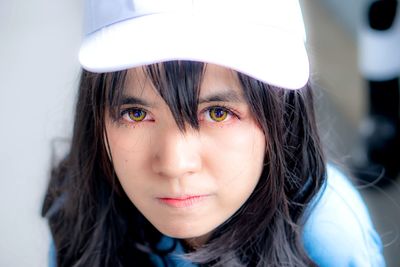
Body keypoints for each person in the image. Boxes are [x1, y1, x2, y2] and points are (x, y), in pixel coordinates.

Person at [42, 0, 385, 266]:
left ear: (283, 116)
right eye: (136, 113)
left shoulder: (326, 238)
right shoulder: (79, 212)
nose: (175, 164)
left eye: (218, 113)